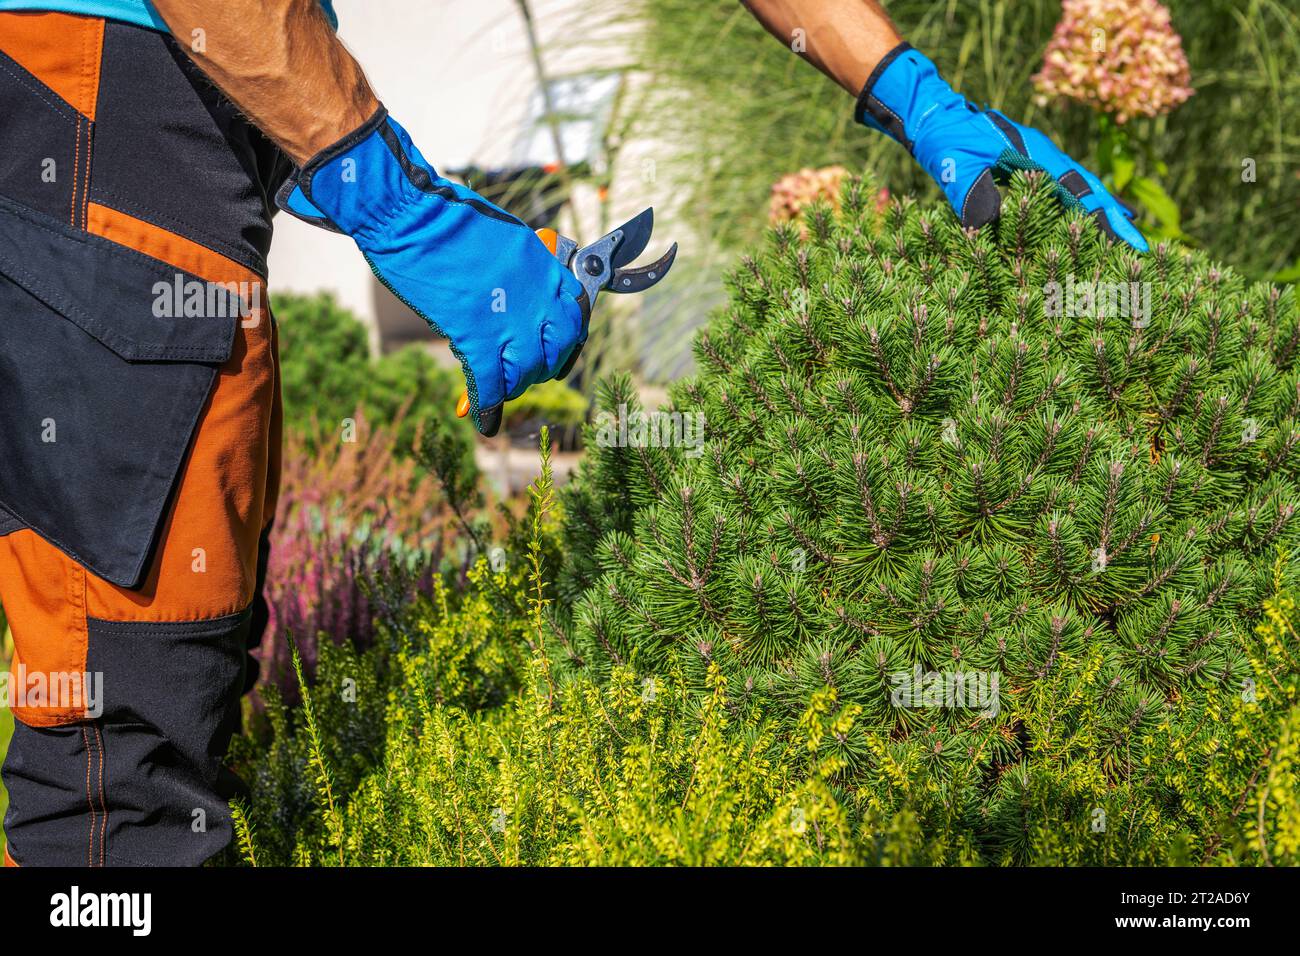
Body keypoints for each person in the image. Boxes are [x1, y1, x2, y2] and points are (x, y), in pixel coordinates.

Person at [0, 0, 1143, 867]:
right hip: (103, 100)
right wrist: (389, 195)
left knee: (165, 697)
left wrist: (912, 93)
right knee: (119, 750)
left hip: (157, 115)